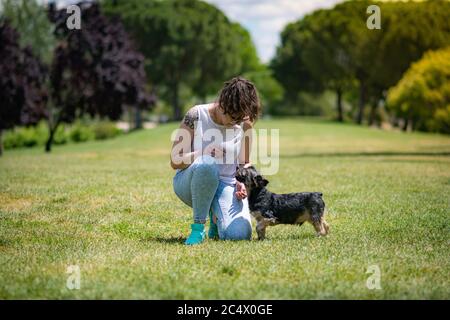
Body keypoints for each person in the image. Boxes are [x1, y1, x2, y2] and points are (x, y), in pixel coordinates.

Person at [170, 76, 261, 245]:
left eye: (240, 119)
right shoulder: (195, 115)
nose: (236, 123)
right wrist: (203, 152)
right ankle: (198, 229)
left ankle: (216, 218)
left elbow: (244, 162)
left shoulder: (244, 122)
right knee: (207, 164)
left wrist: (243, 182)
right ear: (224, 104)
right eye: (234, 117)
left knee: (239, 235)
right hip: (190, 183)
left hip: (226, 184)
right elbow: (175, 160)